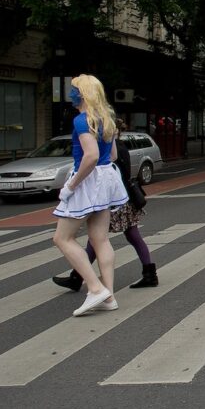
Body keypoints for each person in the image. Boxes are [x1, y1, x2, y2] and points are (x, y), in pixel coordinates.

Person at [51, 75, 129, 316]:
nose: (71, 94)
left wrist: (71, 185)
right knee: (101, 239)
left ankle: (95, 289)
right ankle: (109, 296)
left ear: (82, 94)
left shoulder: (82, 120)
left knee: (62, 238)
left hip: (87, 180)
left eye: (74, 90)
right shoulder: (107, 119)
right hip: (106, 179)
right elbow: (113, 155)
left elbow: (91, 156)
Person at [52, 119, 158, 292]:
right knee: (129, 236)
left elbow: (106, 171)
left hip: (114, 200)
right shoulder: (119, 147)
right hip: (125, 199)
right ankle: (149, 273)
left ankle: (78, 277)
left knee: (97, 239)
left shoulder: (109, 149)